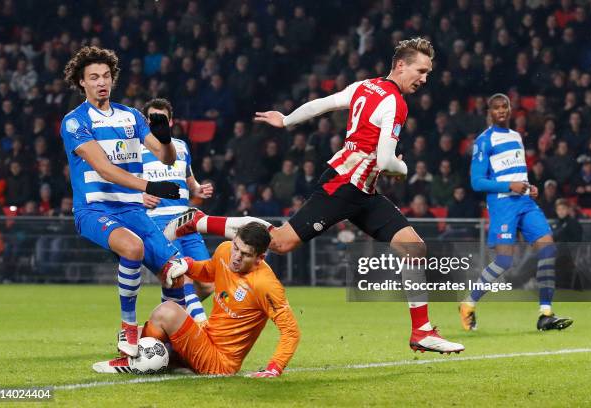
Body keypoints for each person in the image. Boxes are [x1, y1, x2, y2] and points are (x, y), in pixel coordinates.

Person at [165, 38, 464, 354]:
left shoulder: (367, 86)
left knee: (413, 247)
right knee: (280, 242)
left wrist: (287, 119)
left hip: (363, 191)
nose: (425, 79)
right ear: (400, 65)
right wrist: (402, 167)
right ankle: (200, 221)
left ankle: (421, 331)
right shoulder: (395, 103)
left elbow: (324, 103)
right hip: (343, 187)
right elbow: (387, 160)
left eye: (428, 73)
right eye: (421, 70)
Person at [60, 46, 207, 357]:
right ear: (82, 83)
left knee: (175, 273)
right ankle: (128, 326)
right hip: (94, 210)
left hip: (133, 211)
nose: (102, 82)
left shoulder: (131, 116)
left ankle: (174, 343)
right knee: (132, 247)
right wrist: (149, 185)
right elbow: (104, 168)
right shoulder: (74, 122)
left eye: (106, 76)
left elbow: (166, 158)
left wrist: (164, 137)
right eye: (94, 77)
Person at [93, 223, 300, 377]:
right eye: (236, 247)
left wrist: (273, 369)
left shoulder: (266, 285)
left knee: (168, 311)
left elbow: (291, 332)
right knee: (130, 335)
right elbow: (209, 271)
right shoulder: (225, 250)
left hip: (221, 363)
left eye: (245, 254)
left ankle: (137, 362)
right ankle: (167, 360)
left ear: (260, 258)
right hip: (207, 336)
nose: (236, 256)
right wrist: (188, 265)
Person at [461, 93, 573, 332]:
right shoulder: (483, 141)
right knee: (503, 261)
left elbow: (517, 172)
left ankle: (545, 313)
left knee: (548, 248)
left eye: (505, 107)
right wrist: (508, 186)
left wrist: (529, 187)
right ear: (489, 113)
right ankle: (468, 303)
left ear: (510, 110)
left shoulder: (516, 137)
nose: (501, 111)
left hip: (524, 202)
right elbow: (477, 182)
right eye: (496, 108)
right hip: (503, 205)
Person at [140, 98, 215, 311]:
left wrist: (198, 188)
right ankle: (200, 329)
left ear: (170, 123)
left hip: (187, 220)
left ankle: (167, 318)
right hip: (158, 222)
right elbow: (120, 183)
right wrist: (139, 197)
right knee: (183, 279)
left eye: (161, 119)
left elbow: (188, 178)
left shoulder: (181, 147)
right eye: (152, 119)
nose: (156, 123)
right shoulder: (136, 149)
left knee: (208, 284)